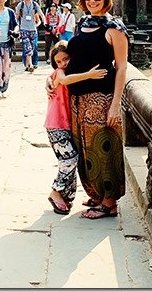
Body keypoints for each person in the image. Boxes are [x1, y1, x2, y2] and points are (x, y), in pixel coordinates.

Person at [65, 0, 129, 219]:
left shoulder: (114, 28)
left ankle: (109, 201)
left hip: (101, 97)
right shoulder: (81, 24)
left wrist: (115, 106)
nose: (92, 0)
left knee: (104, 146)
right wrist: (57, 76)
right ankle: (97, 193)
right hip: (78, 97)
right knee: (84, 147)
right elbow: (70, 57)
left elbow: (121, 68)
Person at [44, 41, 108, 214]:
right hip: (55, 124)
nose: (63, 63)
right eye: (59, 61)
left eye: (66, 59)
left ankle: (67, 196)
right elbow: (62, 79)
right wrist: (89, 74)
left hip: (66, 124)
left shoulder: (63, 73)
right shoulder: (59, 73)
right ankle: (56, 192)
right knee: (69, 159)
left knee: (73, 159)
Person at [16, 0, 46, 73]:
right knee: (27, 47)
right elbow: (17, 17)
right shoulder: (20, 5)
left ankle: (27, 65)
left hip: (33, 29)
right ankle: (31, 65)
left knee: (32, 48)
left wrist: (45, 22)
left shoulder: (35, 5)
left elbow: (41, 14)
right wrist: (16, 28)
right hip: (23, 28)